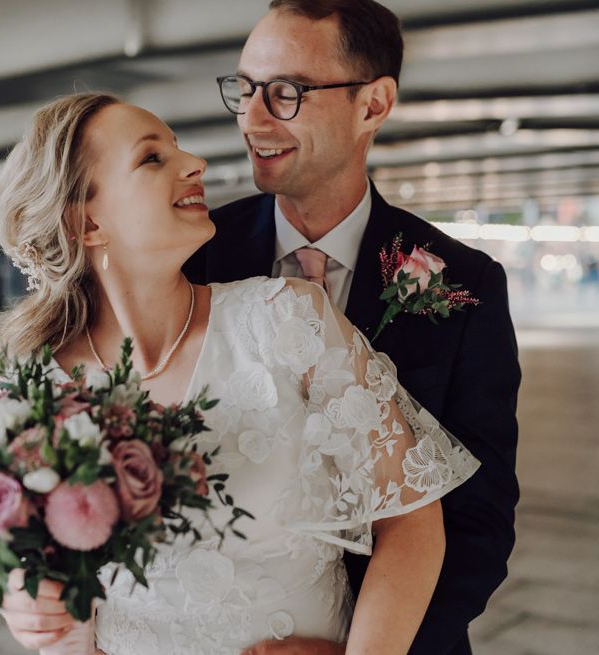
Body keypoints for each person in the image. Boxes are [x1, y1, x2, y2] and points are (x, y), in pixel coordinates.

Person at [0, 93, 479, 654]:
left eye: (177, 147)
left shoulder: (287, 320)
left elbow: (410, 521)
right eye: (151, 158)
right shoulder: (26, 385)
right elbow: (21, 571)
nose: (195, 162)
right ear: (86, 220)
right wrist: (29, 599)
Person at [185, 1, 521, 654]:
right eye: (245, 89)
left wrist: (365, 646)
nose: (250, 119)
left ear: (373, 104)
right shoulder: (192, 258)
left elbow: (479, 516)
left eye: (285, 93)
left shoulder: (466, 283)